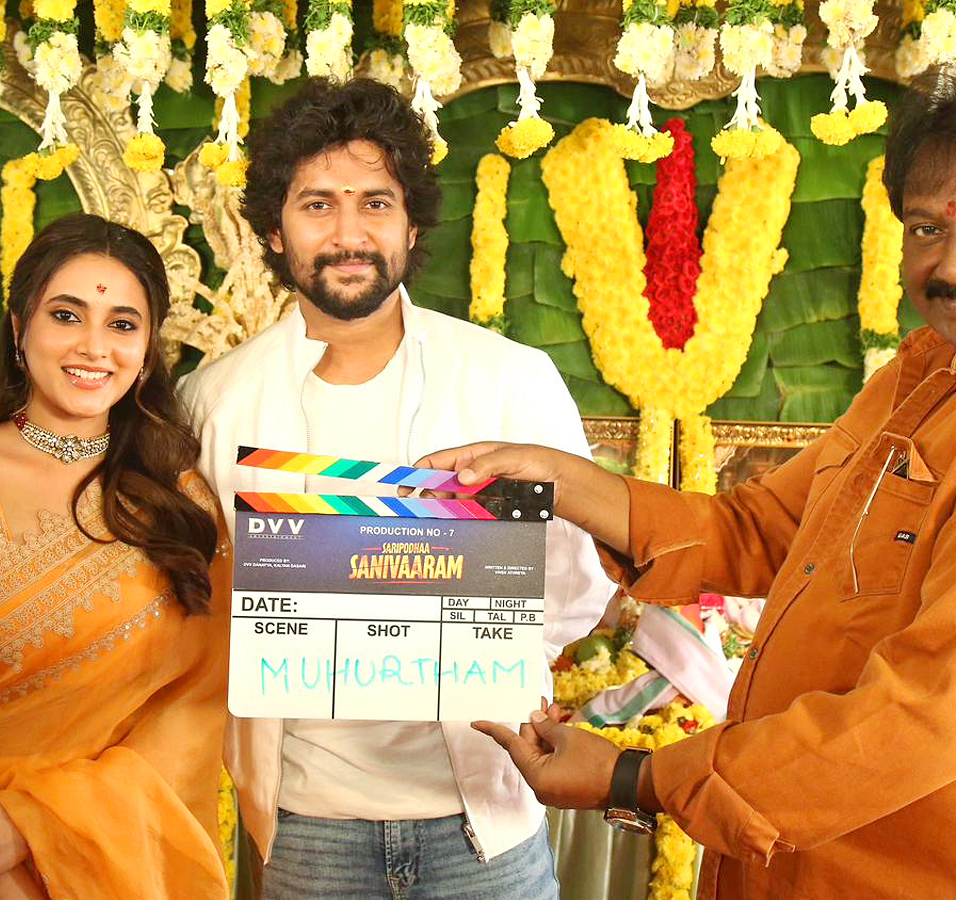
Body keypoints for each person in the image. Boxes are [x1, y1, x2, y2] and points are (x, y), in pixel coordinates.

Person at [425, 45, 956, 899]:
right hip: (800, 863)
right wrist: (557, 479)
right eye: (927, 229)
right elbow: (767, 530)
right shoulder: (926, 374)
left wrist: (636, 778)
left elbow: (939, 705)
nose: (954, 264)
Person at [179, 78, 611, 899]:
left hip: (487, 823)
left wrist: (484, 654)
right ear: (274, 228)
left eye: (375, 203)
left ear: (412, 224)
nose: (349, 234)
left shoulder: (512, 380)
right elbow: (199, 603)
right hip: (308, 831)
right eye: (318, 205)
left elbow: (574, 585)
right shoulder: (214, 401)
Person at [0, 214, 231, 900]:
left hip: (120, 859)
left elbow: (192, 711)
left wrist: (27, 826)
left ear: (148, 350)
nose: (95, 347)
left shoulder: (180, 502)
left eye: (123, 324)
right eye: (66, 315)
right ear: (18, 328)